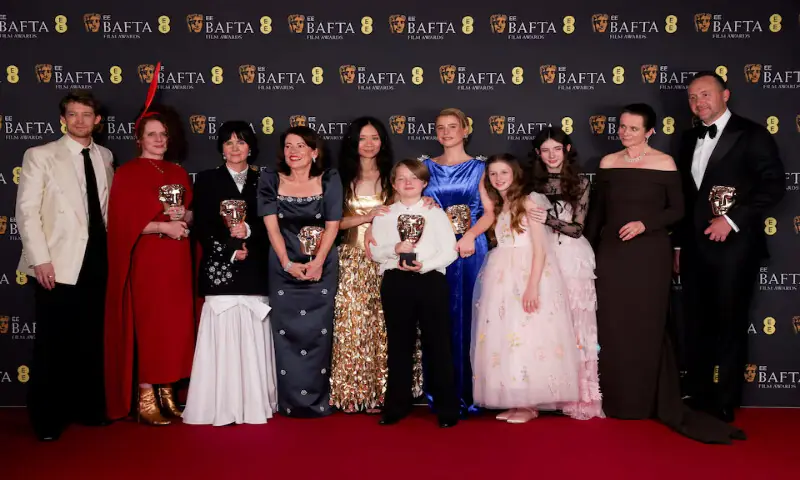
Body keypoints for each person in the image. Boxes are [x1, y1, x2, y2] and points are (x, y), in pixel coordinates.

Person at [587, 103, 744, 444]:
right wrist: (586, 253)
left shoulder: (664, 163)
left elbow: (678, 210)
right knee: (612, 325)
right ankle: (615, 399)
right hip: (612, 255)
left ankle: (645, 400)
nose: (625, 133)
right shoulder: (608, 162)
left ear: (650, 132)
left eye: (633, 128)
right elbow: (597, 214)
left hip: (650, 254)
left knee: (646, 323)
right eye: (622, 127)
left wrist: (645, 224)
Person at [676, 72, 785, 422]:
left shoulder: (752, 134)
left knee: (730, 322)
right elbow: (684, 198)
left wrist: (732, 219)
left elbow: (774, 185)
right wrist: (678, 246)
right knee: (696, 322)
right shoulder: (688, 138)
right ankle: (697, 392)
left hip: (735, 247)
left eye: (705, 94)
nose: (698, 102)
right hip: (694, 249)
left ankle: (725, 398)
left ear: (725, 95)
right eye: (693, 97)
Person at [15, 91, 114, 441]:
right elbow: (26, 211)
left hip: (98, 258)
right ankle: (47, 418)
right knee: (53, 342)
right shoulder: (40, 155)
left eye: (86, 114)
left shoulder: (105, 155)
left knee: (91, 338)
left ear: (97, 120)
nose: (80, 121)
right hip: (57, 261)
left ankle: (88, 408)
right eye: (73, 114)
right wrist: (40, 259)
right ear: (63, 119)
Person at [472, 154, 579, 424]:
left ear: (515, 173)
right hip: (501, 277)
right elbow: (486, 202)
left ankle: (530, 404)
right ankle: (515, 399)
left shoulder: (529, 201)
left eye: (503, 172)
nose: (498, 178)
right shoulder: (500, 205)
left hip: (528, 273)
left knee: (527, 334)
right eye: (493, 173)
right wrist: (483, 181)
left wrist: (532, 287)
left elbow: (541, 249)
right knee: (506, 336)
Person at [182, 121, 277, 426]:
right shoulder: (207, 179)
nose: (235, 148)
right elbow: (202, 224)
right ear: (221, 148)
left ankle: (255, 403)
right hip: (220, 269)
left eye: (241, 142)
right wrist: (230, 250)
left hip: (256, 268)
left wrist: (248, 231)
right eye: (228, 142)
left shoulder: (265, 179)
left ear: (251, 147)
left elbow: (273, 222)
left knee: (252, 337)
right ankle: (217, 404)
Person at [104, 111, 196, 426]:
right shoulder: (127, 173)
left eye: (163, 134)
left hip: (177, 258)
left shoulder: (177, 171)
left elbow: (189, 213)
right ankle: (146, 394)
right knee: (150, 324)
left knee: (174, 326)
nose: (158, 139)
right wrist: (162, 226)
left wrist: (184, 217)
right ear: (139, 139)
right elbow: (121, 223)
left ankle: (168, 391)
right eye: (152, 134)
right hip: (148, 258)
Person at [332, 117, 425, 414]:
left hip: (386, 261)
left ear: (382, 142)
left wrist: (429, 205)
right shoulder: (339, 178)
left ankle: (388, 392)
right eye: (362, 138)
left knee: (386, 326)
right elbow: (332, 223)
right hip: (351, 261)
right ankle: (353, 393)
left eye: (374, 137)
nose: (369, 144)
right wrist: (366, 217)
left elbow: (407, 212)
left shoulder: (392, 178)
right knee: (354, 326)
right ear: (352, 142)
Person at [257, 126, 343, 418]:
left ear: (314, 152)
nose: (293, 152)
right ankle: (288, 402)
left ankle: (319, 400)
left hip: (322, 266)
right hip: (283, 266)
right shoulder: (270, 179)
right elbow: (271, 228)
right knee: (285, 334)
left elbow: (333, 225)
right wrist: (286, 263)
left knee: (319, 332)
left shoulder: (330, 178)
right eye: (288, 146)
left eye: (301, 146)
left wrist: (318, 262)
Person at [370, 159, 460, 428]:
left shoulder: (436, 213)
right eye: (401, 178)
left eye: (413, 177)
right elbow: (374, 251)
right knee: (399, 346)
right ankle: (396, 406)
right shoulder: (384, 215)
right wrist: (394, 249)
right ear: (394, 184)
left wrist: (426, 265)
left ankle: (447, 409)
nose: (408, 183)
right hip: (396, 281)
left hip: (430, 280)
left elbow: (450, 250)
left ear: (424, 183)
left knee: (438, 344)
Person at [417, 107, 494, 414]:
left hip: (469, 249)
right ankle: (441, 393)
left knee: (471, 318)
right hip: (435, 251)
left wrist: (469, 236)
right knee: (438, 319)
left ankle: (473, 393)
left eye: (452, 126)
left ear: (465, 130)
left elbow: (489, 213)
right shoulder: (425, 167)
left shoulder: (480, 168)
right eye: (440, 127)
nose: (446, 132)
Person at [528, 128, 603, 420]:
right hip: (538, 257)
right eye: (545, 150)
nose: (551, 156)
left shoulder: (580, 182)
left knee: (575, 325)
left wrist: (547, 219)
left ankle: (578, 396)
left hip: (571, 259)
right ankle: (543, 393)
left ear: (567, 149)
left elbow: (577, 229)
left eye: (556, 149)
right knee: (542, 325)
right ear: (538, 153)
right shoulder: (529, 182)